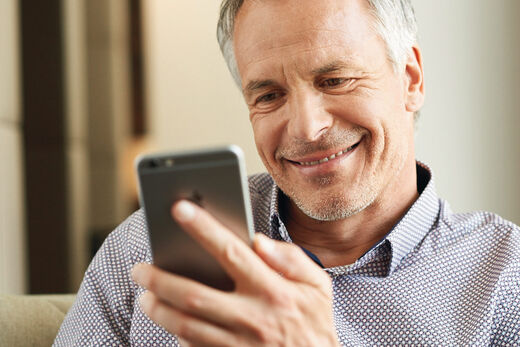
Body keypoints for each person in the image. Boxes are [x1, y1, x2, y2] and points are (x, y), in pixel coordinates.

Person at [55, 0, 520, 345]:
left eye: (334, 80)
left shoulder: (505, 280)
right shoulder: (147, 248)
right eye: (269, 95)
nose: (307, 128)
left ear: (410, 80)